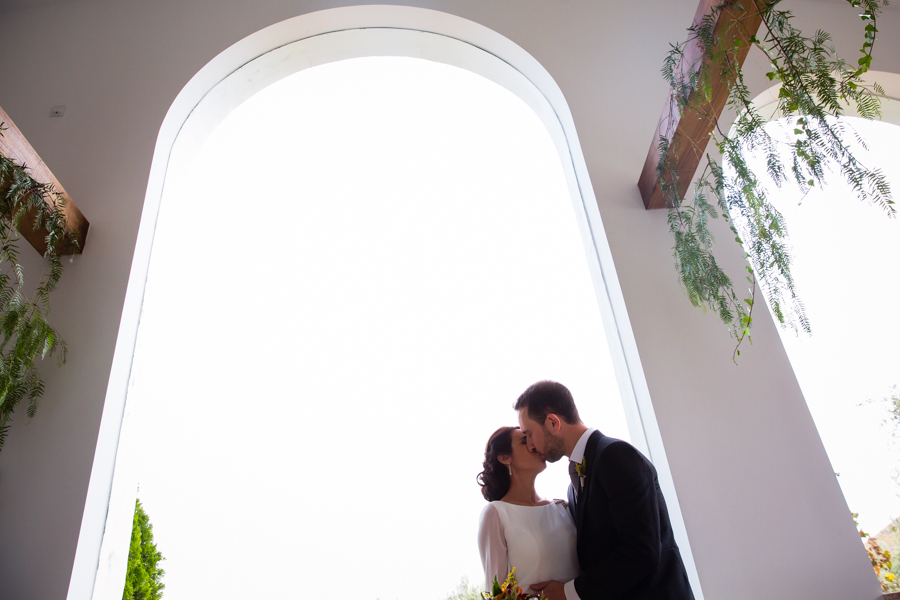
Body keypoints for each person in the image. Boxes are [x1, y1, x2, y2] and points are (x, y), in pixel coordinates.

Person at [515, 380, 694, 600]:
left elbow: (641, 551)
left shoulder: (615, 456)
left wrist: (569, 592)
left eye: (529, 434)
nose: (531, 445)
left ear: (553, 422)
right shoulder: (573, 486)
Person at [476, 426, 579, 595]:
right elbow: (497, 594)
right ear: (505, 457)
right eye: (525, 441)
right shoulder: (496, 514)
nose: (534, 445)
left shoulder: (561, 507)